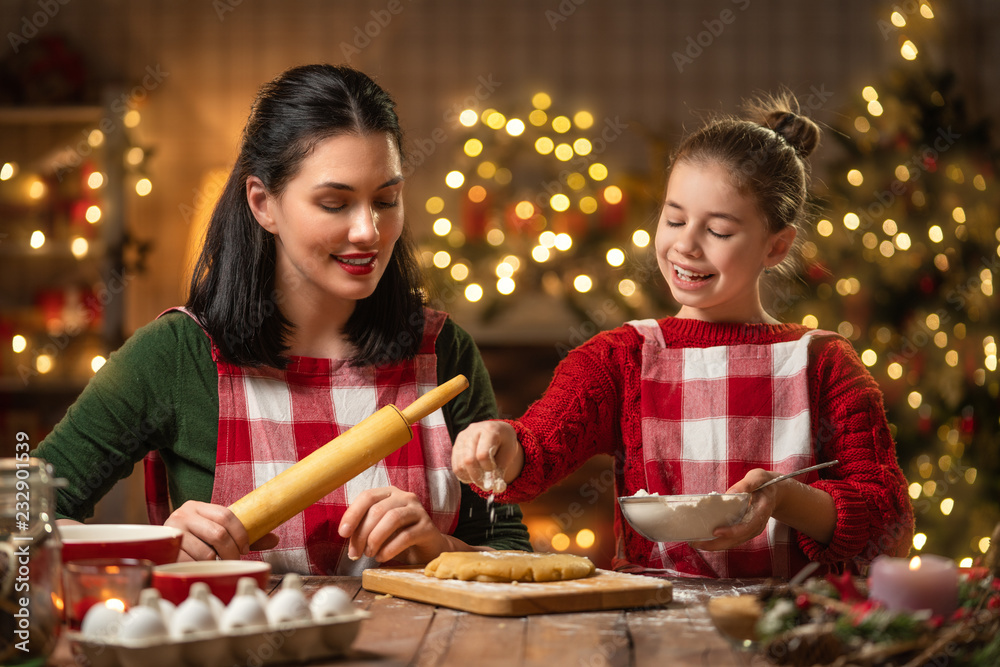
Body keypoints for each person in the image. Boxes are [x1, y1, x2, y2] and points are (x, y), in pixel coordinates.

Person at [33, 64, 530, 574]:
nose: (369, 231)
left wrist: (437, 549)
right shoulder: (176, 354)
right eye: (334, 203)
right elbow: (23, 521)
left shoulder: (444, 352)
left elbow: (512, 556)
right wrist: (152, 548)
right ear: (263, 203)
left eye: (386, 200)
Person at [452, 93, 914, 579]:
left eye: (718, 230)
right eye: (674, 219)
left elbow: (889, 525)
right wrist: (499, 442)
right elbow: (538, 451)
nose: (685, 245)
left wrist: (785, 497)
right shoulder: (621, 358)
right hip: (655, 631)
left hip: (791, 629)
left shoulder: (824, 363)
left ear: (775, 246)